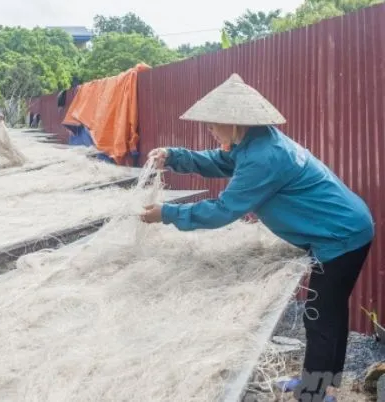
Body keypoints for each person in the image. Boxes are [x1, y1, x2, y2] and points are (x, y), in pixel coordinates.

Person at [139, 73, 374, 402]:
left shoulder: (264, 156)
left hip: (341, 236)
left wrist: (167, 214)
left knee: (320, 316)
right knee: (329, 312)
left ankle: (316, 393)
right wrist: (174, 156)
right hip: (346, 227)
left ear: (235, 123)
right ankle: (322, 383)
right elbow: (220, 161)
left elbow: (223, 210)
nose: (210, 131)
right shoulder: (256, 141)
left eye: (212, 125)